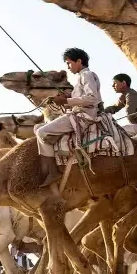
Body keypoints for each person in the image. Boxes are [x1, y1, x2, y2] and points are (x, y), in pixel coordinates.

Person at [34, 48, 104, 187]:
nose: (68, 67)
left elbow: (92, 98)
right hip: (78, 113)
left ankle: (53, 171)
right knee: (37, 127)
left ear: (79, 61)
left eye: (69, 63)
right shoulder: (82, 77)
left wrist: (66, 101)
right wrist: (66, 97)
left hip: (83, 116)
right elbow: (82, 97)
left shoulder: (87, 75)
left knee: (41, 132)